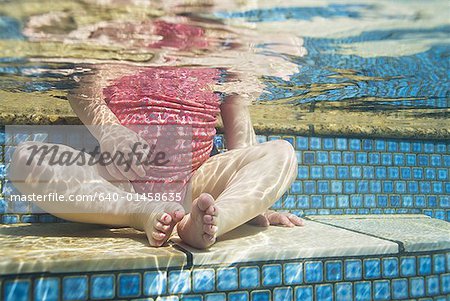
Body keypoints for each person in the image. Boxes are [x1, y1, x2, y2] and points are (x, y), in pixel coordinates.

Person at [11, 17, 303, 249]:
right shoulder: (121, 25)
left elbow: (237, 112)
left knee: (281, 153)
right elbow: (81, 85)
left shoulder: (229, 39)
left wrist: (250, 205)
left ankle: (218, 219)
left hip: (195, 183)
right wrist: (112, 133)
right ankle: (140, 211)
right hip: (120, 181)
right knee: (27, 159)